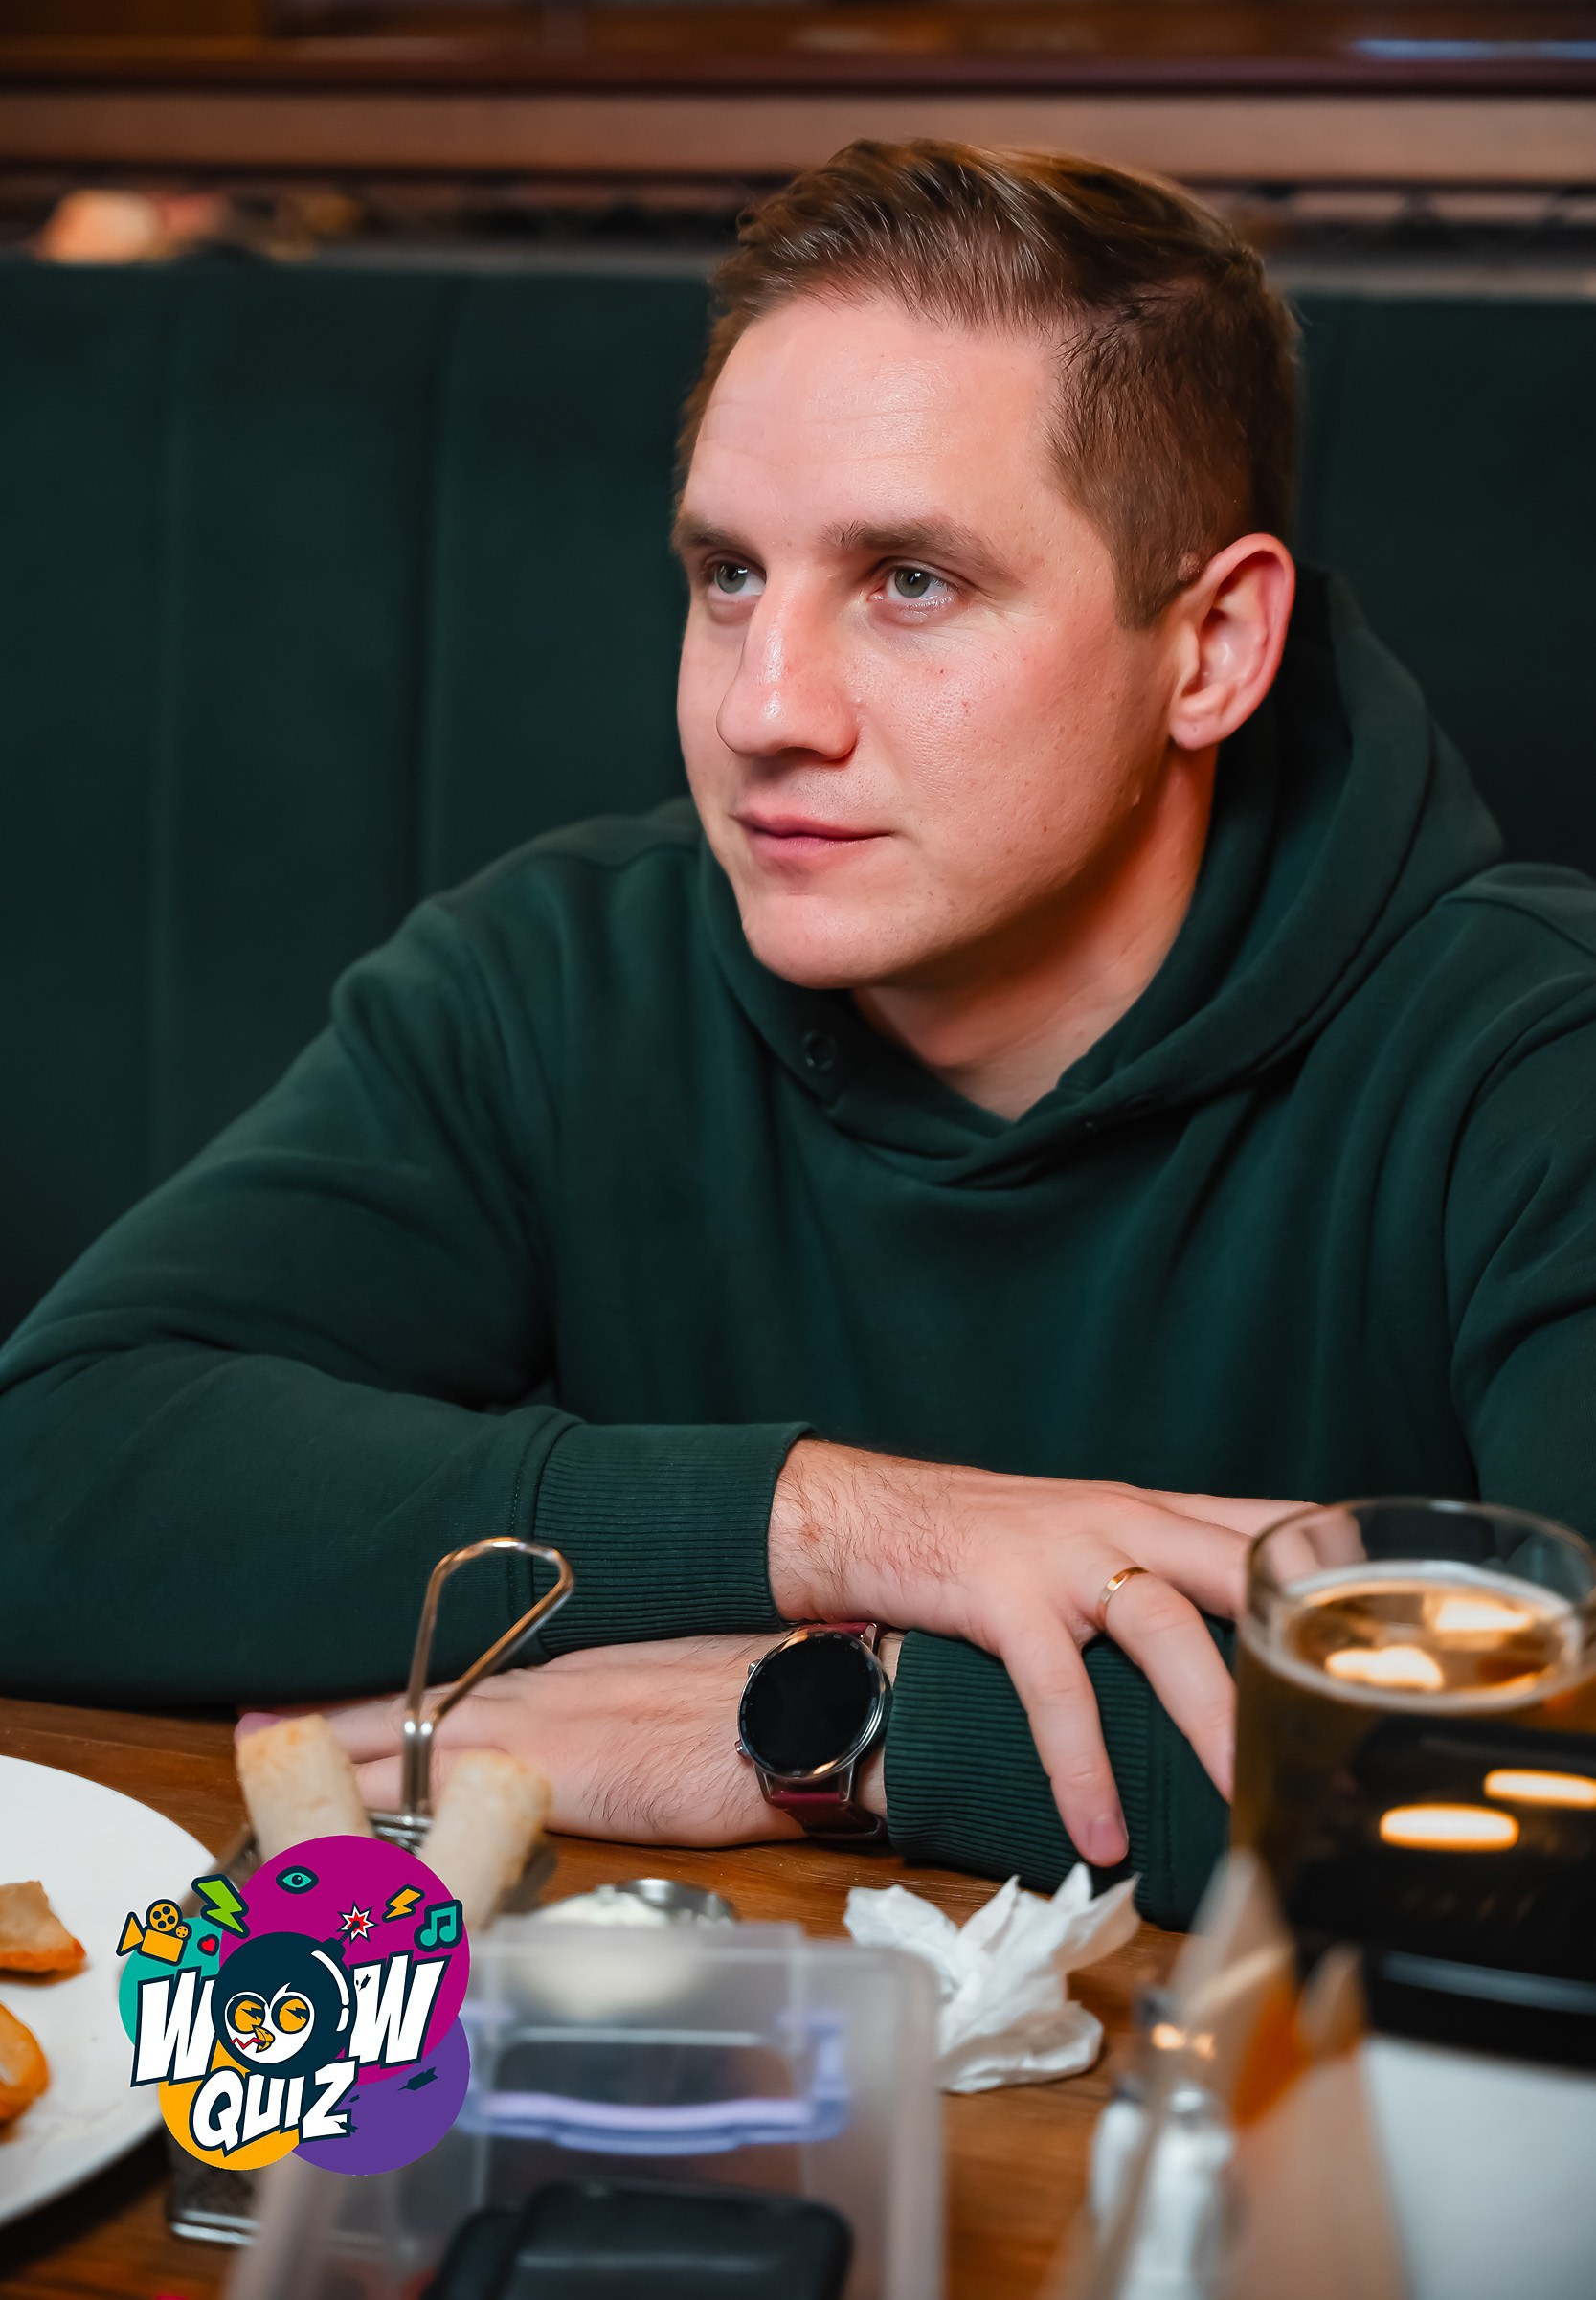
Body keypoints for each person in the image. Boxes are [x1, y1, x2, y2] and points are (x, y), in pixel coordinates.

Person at [3, 142, 1593, 1930]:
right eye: (728, 573)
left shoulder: (1537, 1059)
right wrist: (842, 1526)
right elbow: (44, 1480)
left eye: (911, 579)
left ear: (1212, 645)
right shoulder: (561, 971)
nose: (763, 707)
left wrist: (837, 1721)